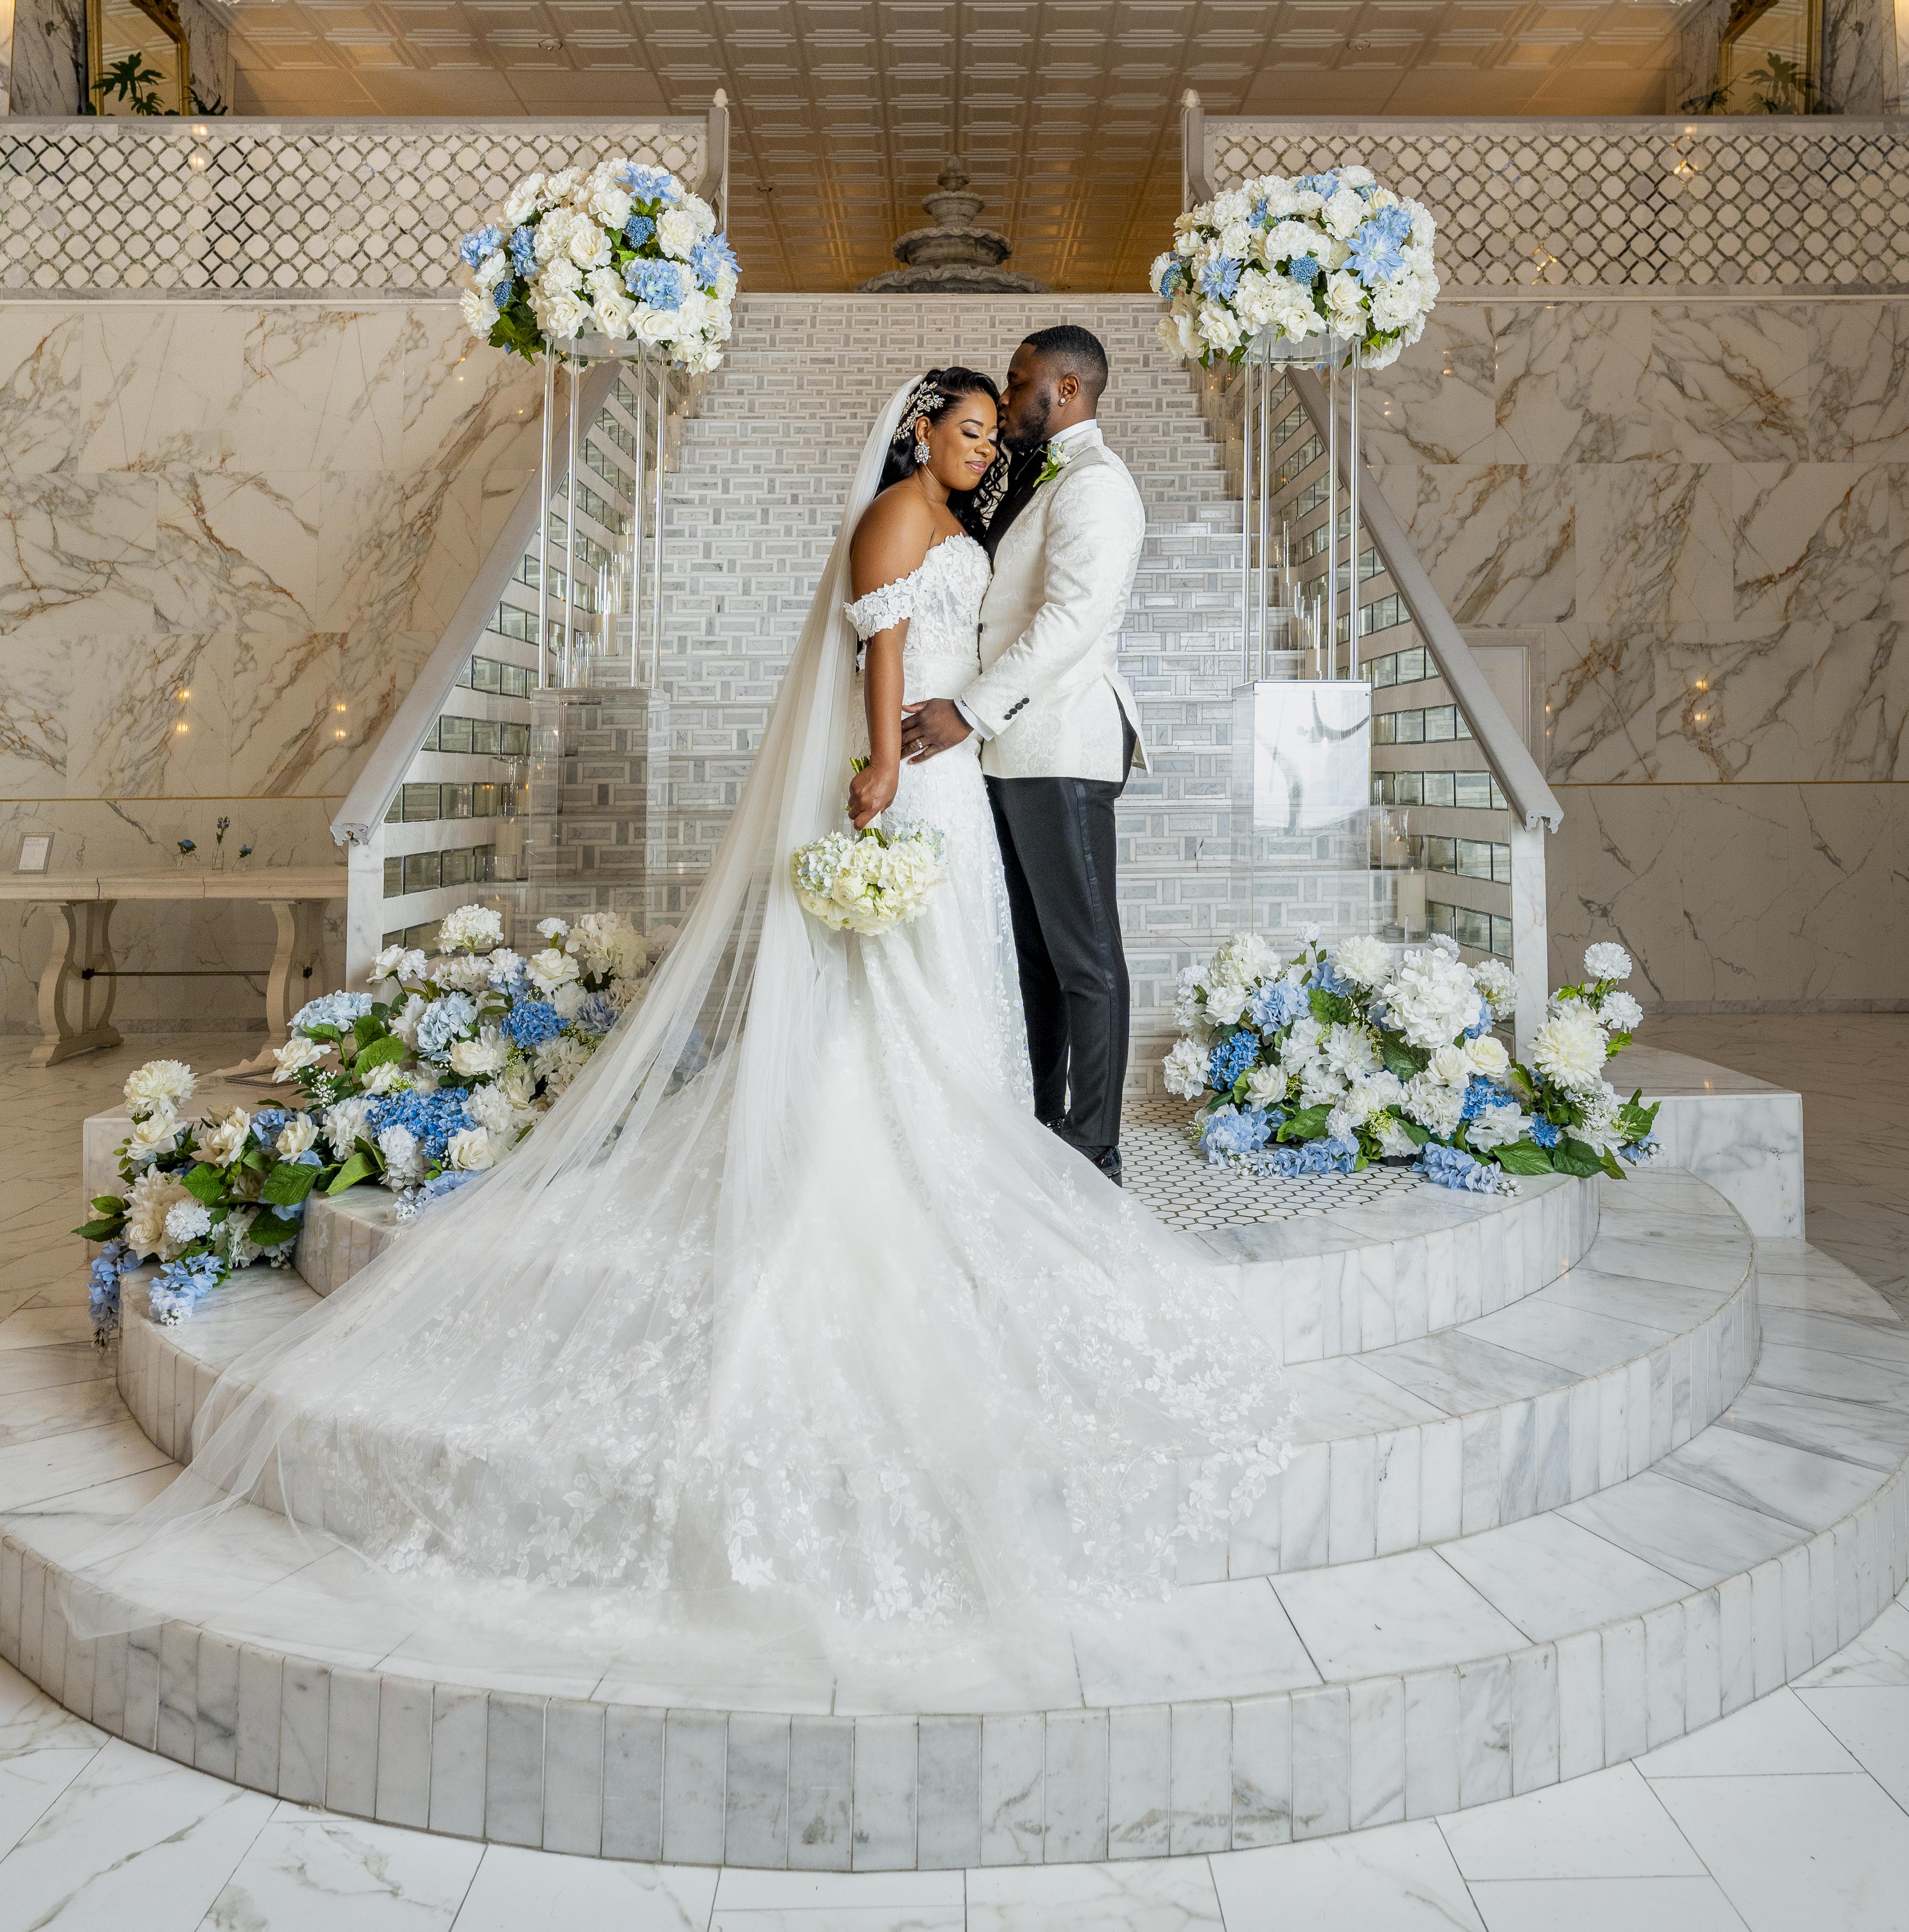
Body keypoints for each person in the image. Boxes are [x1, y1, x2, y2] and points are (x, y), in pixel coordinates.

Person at [68, 364, 1287, 1706]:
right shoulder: (896, 514)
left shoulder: (962, 519)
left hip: (959, 781)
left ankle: (944, 1135)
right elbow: (879, 649)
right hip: (914, 775)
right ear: (916, 431)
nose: (982, 447)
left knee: (956, 983)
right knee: (890, 991)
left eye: (992, 433)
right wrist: (881, 766)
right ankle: (871, 1155)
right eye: (966, 429)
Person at [900, 326, 1144, 1185]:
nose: (1006, 399)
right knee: (1034, 955)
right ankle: (1041, 1123)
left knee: (1085, 956)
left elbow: (1071, 619)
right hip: (1016, 751)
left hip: (1061, 743)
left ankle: (1094, 1146)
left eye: (1018, 381)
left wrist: (969, 709)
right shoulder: (1044, 478)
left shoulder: (1097, 483)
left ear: (1066, 388)